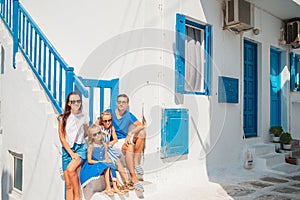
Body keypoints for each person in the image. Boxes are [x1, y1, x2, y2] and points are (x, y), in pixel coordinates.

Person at [106, 94, 146, 192]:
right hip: (114, 141)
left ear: (127, 104)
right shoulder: (110, 112)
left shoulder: (128, 115)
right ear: (116, 103)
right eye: (119, 102)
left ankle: (136, 162)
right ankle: (134, 178)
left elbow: (140, 125)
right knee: (130, 146)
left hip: (124, 138)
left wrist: (130, 133)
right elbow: (98, 122)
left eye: (123, 102)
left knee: (142, 133)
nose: (121, 104)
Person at [58, 92, 89, 200]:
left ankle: (78, 197)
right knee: (68, 185)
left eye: (78, 101)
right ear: (69, 103)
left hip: (80, 148)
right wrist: (71, 153)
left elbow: (86, 132)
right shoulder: (62, 118)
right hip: (67, 151)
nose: (76, 103)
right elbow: (62, 138)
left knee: (71, 170)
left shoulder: (84, 116)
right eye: (73, 101)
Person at [80, 124, 124, 196]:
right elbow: (89, 160)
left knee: (110, 164)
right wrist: (100, 162)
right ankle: (108, 187)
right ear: (92, 137)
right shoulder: (91, 146)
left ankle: (115, 186)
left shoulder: (104, 145)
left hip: (101, 163)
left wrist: (108, 160)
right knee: (106, 166)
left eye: (99, 133)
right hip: (92, 164)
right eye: (95, 134)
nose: (97, 136)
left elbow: (105, 157)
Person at [97, 111, 134, 191]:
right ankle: (117, 184)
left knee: (117, 160)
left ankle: (126, 181)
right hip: (101, 150)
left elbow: (116, 139)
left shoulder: (111, 128)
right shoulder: (100, 128)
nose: (108, 122)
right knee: (111, 161)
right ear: (102, 121)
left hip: (108, 148)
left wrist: (109, 143)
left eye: (109, 120)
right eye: (105, 121)